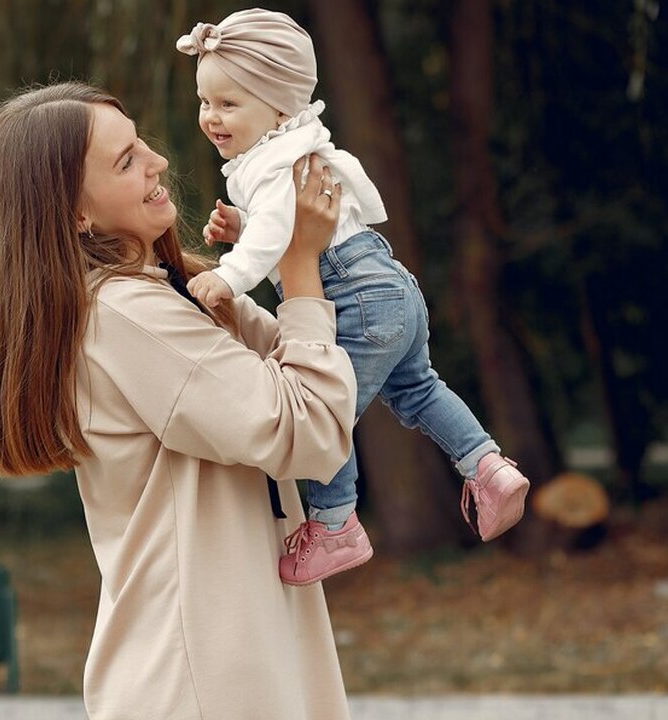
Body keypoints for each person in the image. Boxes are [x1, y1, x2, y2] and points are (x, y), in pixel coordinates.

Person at [0, 81, 358, 719]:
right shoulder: (128, 314)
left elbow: (317, 369)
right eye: (125, 161)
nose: (158, 162)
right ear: (75, 215)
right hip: (202, 681)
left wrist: (284, 251)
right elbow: (309, 432)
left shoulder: (171, 293)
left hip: (217, 663)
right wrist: (300, 267)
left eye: (139, 142)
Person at [175, 8, 530, 586]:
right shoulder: (298, 146)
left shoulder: (274, 162)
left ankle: (335, 525)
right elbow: (289, 227)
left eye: (229, 104)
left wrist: (232, 272)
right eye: (204, 102)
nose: (211, 118)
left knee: (325, 415)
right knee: (419, 388)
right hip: (391, 286)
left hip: (354, 297)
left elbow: (276, 235)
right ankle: (486, 465)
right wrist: (245, 231)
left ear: (280, 105)